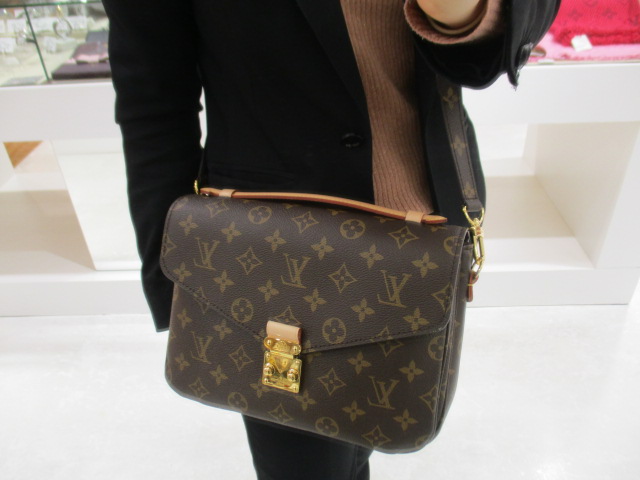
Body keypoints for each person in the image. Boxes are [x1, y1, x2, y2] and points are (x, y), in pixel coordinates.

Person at [102, 1, 559, 478]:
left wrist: (467, 12)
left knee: (371, 433)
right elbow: (154, 102)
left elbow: (492, 48)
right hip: (275, 259)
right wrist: (177, 279)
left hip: (424, 232)